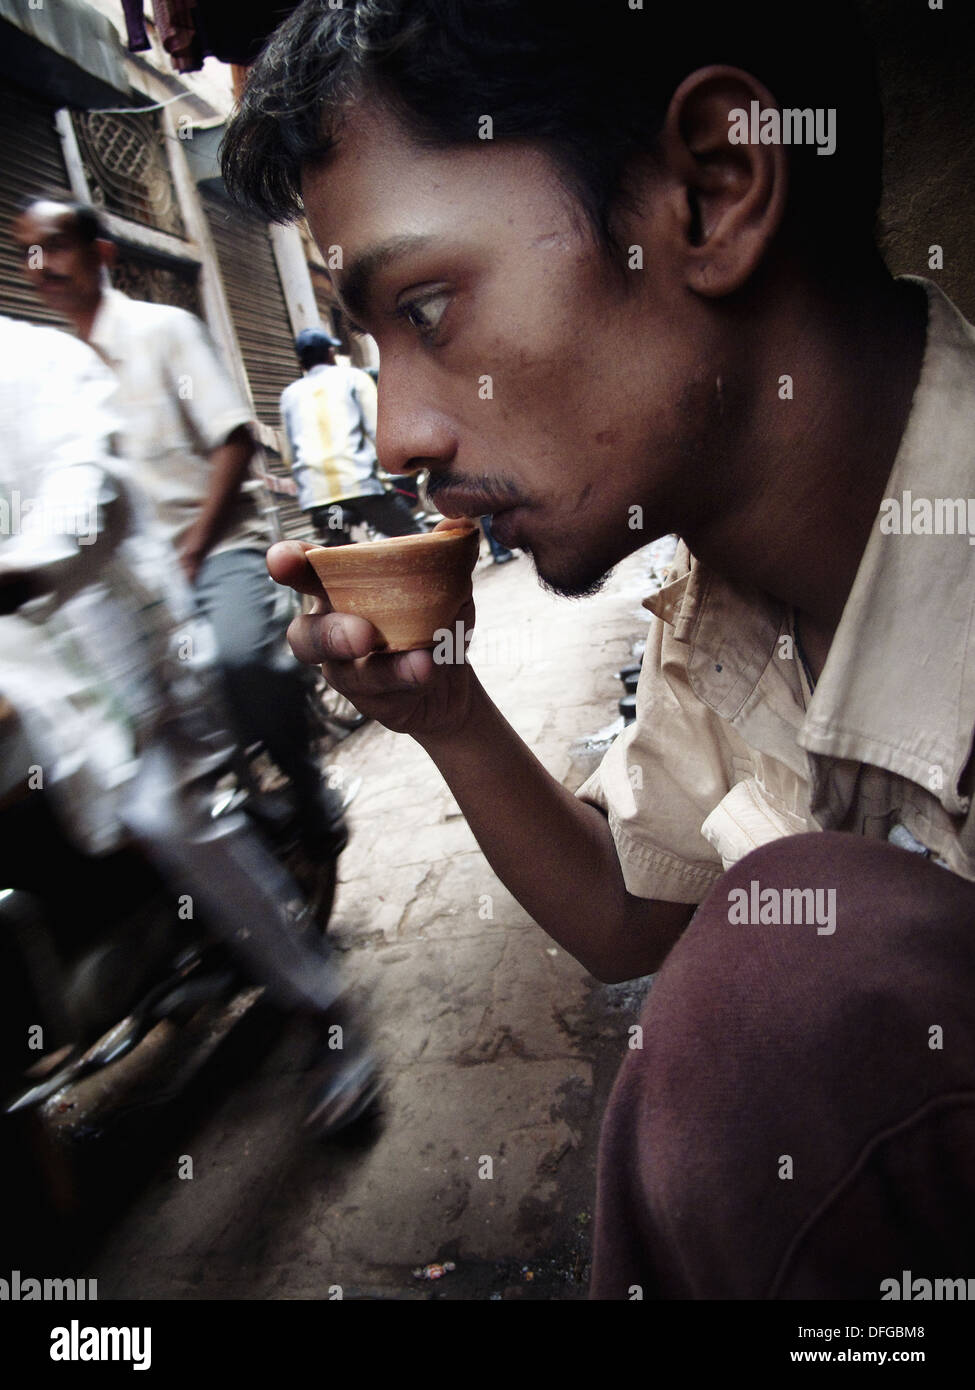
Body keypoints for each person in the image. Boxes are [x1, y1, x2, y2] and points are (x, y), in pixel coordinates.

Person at [222, 0, 975, 1296]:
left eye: (431, 304)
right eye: (371, 346)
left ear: (713, 187)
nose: (398, 429)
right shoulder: (724, 606)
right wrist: (445, 713)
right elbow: (633, 911)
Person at [0, 313, 376, 1133]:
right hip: (17, 679)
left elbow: (89, 487)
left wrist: (21, 570)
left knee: (166, 813)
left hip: (118, 641)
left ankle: (326, 1008)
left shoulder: (39, 361)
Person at [11, 200, 347, 853]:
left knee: (236, 657)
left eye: (55, 247)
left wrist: (192, 552)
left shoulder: (162, 331)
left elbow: (232, 439)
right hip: (121, 584)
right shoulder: (46, 371)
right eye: (27, 253)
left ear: (100, 254)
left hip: (213, 549)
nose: (39, 266)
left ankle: (307, 786)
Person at [280, 326, 425, 546]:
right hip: (361, 488)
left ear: (301, 362)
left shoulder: (289, 395)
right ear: (331, 353)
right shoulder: (354, 378)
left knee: (338, 553)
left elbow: (289, 455)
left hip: (319, 498)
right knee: (413, 539)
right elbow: (379, 431)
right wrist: (406, 464)